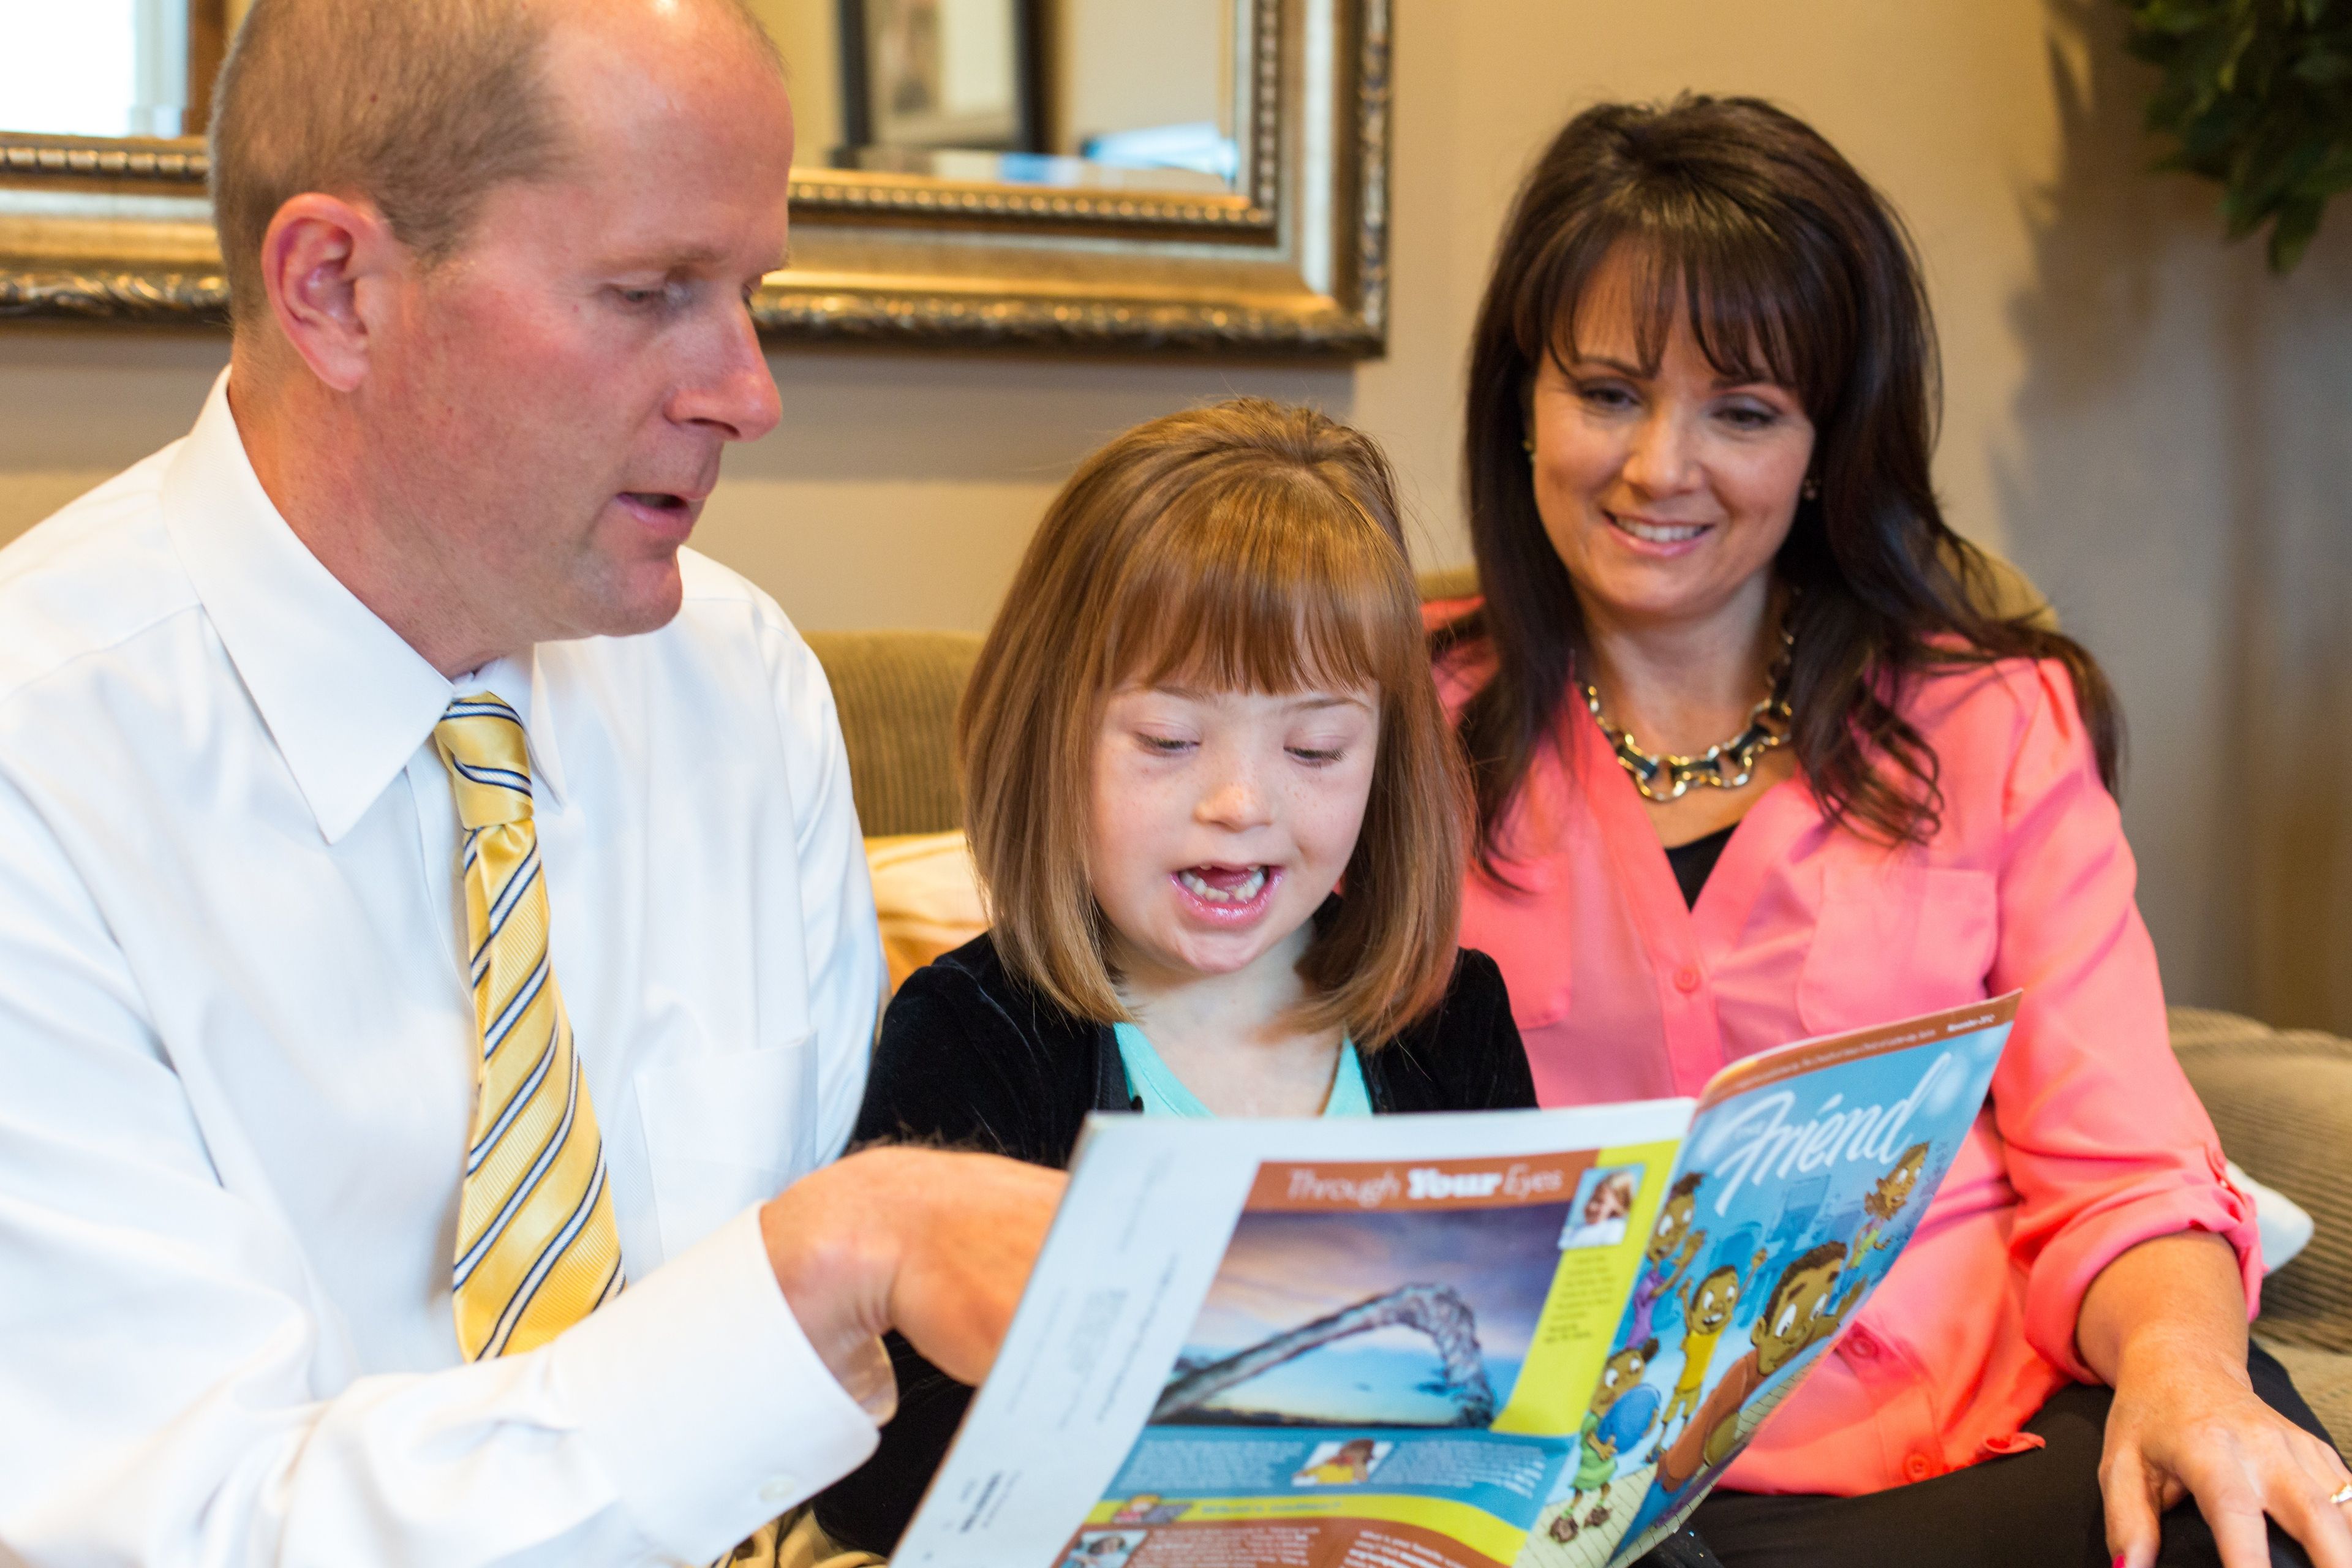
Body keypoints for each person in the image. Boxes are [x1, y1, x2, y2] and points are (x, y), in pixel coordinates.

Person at [0, 2, 1061, 1562]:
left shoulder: (742, 690)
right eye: (650, 293)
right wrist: (827, 1261)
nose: (748, 392)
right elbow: (183, 1524)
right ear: (336, 289)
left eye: (748, 293)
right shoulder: (42, 774)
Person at [1430, 94, 2350, 1568]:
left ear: (1825, 445)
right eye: (1606, 391)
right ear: (1519, 399)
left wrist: (2184, 1365)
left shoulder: (1994, 720)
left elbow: (2118, 1156)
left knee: (2247, 1522)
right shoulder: (1377, 727)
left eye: (1742, 411)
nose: (1661, 467)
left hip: (1978, 1432)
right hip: (1568, 1479)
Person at [812, 400, 1539, 1556]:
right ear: (1053, 736)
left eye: (1313, 750)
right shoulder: (976, 1029)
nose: (1241, 804)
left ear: (1383, 763)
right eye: (1168, 741)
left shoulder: (1452, 1024)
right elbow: (875, 1471)